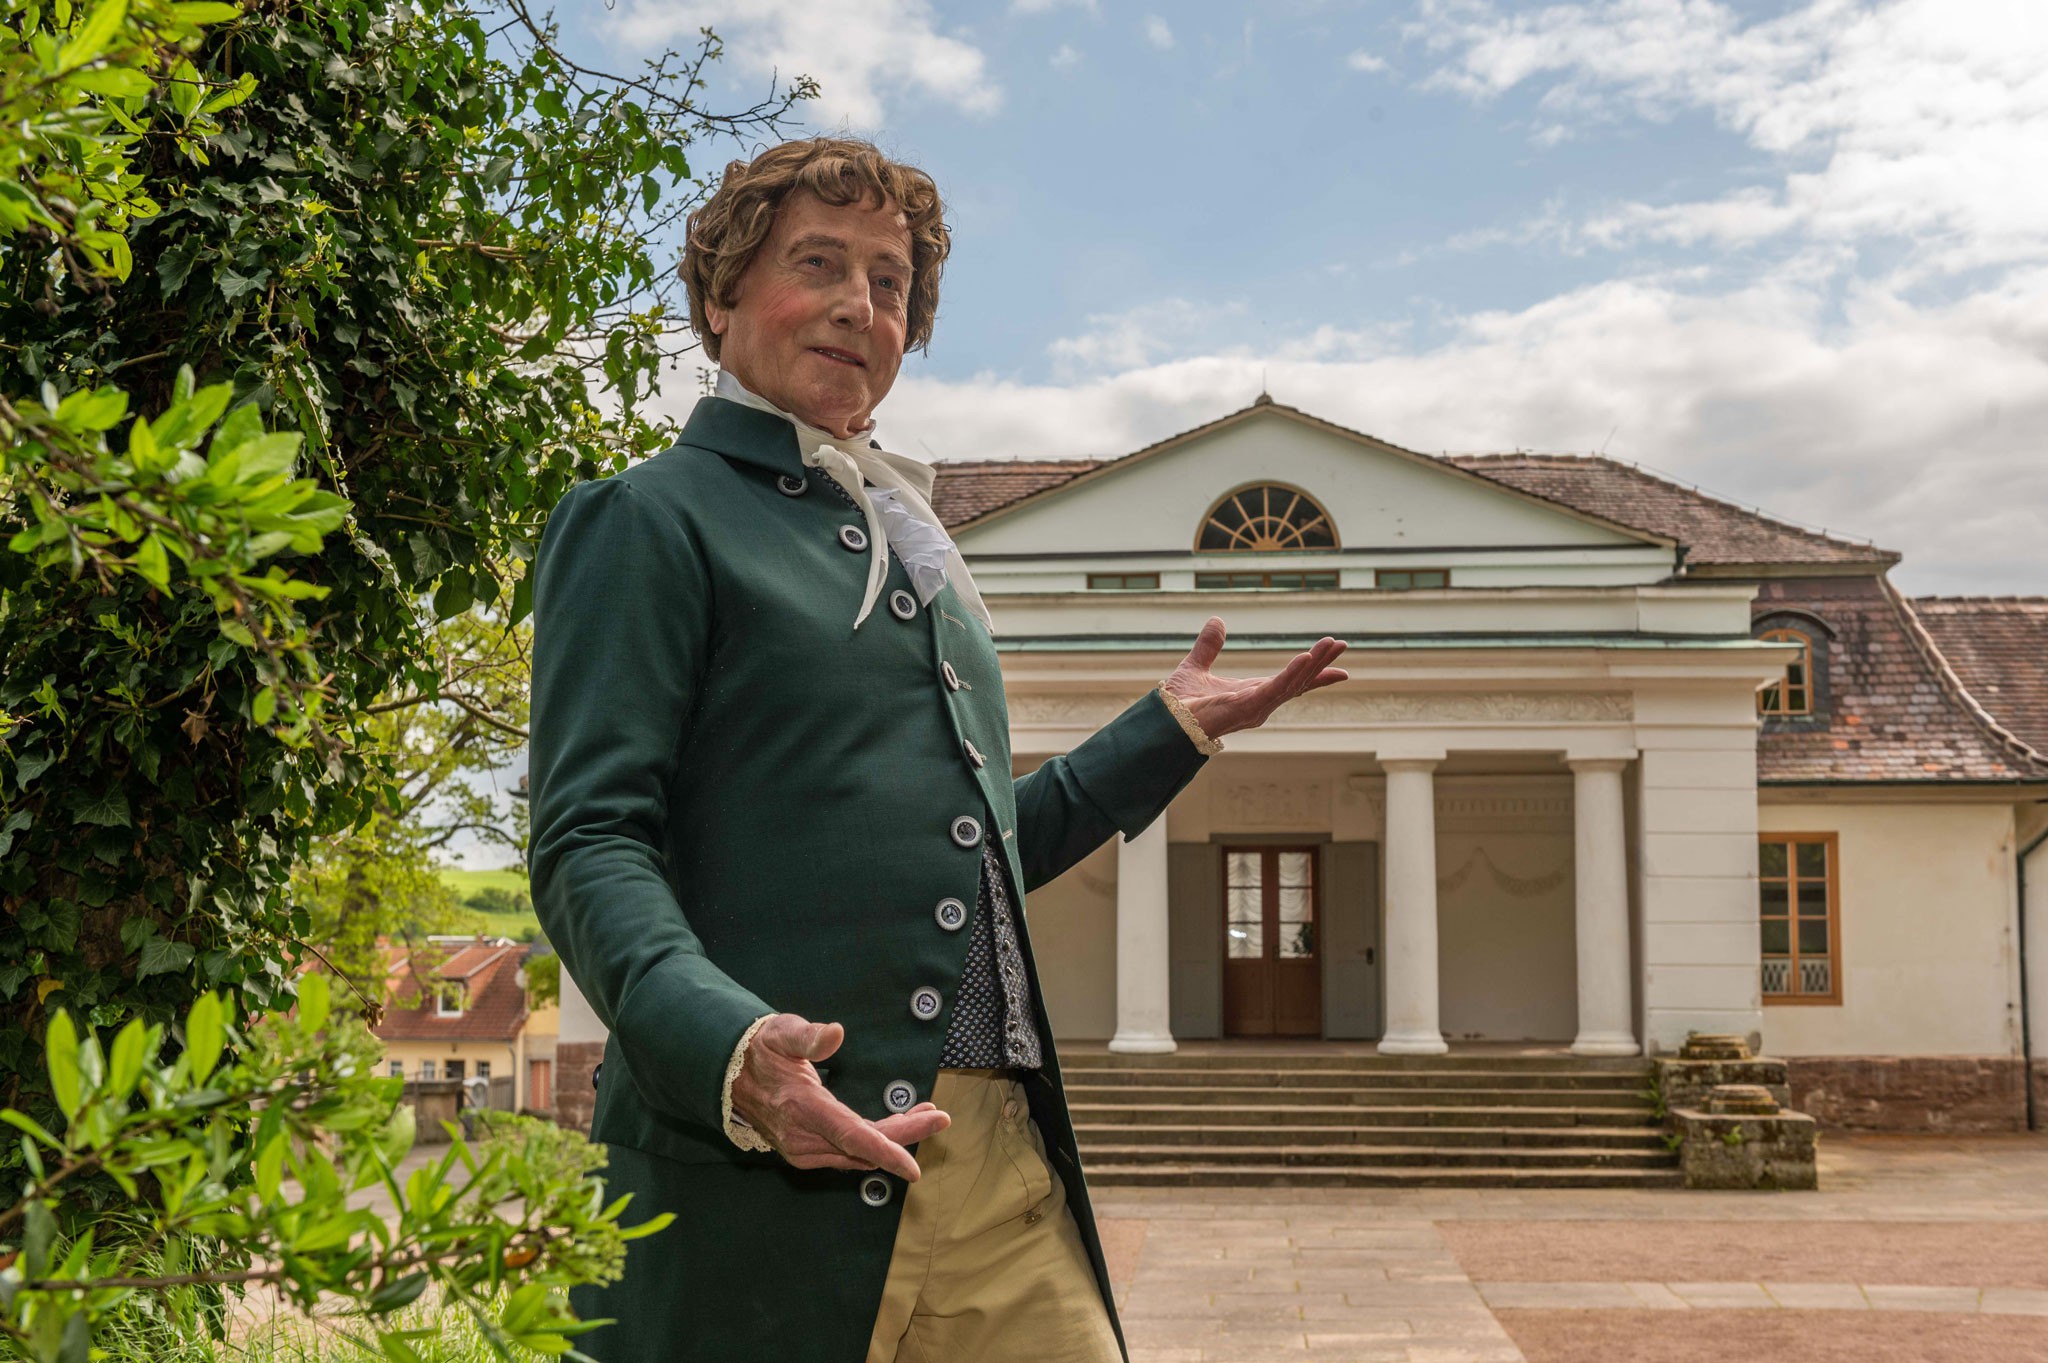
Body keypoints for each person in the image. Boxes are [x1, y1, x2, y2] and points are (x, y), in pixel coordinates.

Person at [528, 136, 1349, 1363]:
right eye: (818, 264)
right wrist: (729, 1047)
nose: (861, 305)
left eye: (891, 283)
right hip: (772, 1162)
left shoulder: (920, 547)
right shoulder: (648, 518)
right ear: (721, 294)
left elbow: (975, 851)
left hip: (993, 1154)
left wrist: (1161, 732)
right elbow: (589, 838)